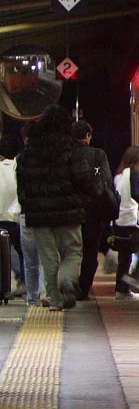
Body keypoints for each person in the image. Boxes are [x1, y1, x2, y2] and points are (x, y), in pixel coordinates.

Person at [16, 105, 102, 310]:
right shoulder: (72, 148)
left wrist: (27, 204)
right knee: (72, 252)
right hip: (68, 212)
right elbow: (83, 178)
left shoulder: (29, 150)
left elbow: (22, 182)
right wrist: (92, 194)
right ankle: (66, 280)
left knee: (48, 258)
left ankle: (54, 300)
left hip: (38, 215)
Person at [72, 120, 117, 300]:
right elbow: (106, 179)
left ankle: (69, 284)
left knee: (70, 250)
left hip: (69, 211)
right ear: (88, 136)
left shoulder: (65, 154)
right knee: (90, 250)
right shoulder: (98, 155)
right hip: (92, 212)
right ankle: (83, 289)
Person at [112, 145, 139, 298]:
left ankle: (120, 290)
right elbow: (136, 194)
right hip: (131, 220)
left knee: (125, 256)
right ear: (136, 161)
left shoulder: (119, 175)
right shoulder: (134, 173)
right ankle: (137, 278)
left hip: (119, 220)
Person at [0, 133, 20, 296]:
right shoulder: (20, 167)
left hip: (0, 220)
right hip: (17, 220)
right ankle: (26, 285)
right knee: (22, 252)